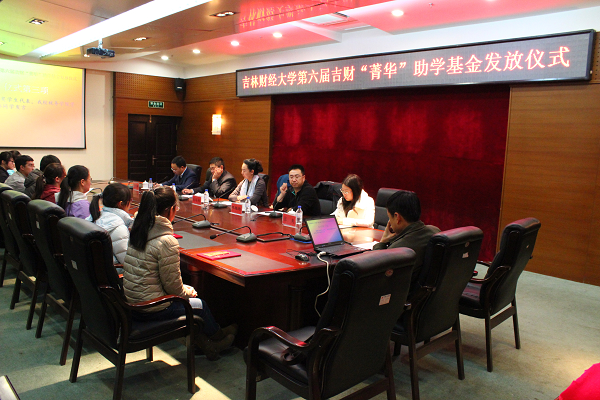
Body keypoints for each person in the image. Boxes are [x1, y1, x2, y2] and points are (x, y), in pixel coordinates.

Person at [123, 186, 236, 360]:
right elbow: (174, 288)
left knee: (191, 301)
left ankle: (208, 343)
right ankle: (218, 339)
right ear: (170, 210)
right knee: (200, 305)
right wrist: (188, 291)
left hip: (132, 301)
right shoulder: (166, 241)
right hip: (152, 307)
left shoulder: (138, 228)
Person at [373, 190, 440, 295]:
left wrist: (382, 242)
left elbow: (374, 273)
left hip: (400, 298)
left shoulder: (398, 250)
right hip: (430, 297)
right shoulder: (435, 231)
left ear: (397, 217)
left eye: (389, 218)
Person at [87, 183, 133, 268]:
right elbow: (128, 262)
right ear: (120, 203)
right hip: (113, 271)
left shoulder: (91, 217)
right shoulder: (118, 228)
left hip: (92, 269)